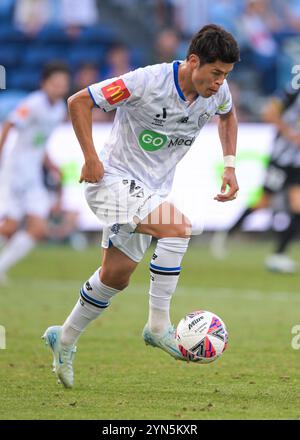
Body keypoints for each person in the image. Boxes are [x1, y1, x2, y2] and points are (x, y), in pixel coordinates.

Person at [42, 24, 240, 388]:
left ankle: (64, 338)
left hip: (149, 191)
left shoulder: (217, 92)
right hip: (111, 181)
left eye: (225, 75)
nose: (219, 83)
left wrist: (229, 165)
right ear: (193, 61)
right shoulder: (146, 81)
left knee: (114, 276)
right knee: (178, 228)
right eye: (215, 74)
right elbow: (79, 101)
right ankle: (158, 326)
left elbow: (227, 115)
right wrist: (89, 158)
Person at [210, 86, 300, 273]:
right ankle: (227, 233)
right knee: (263, 202)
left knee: (298, 205)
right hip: (281, 160)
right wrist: (290, 134)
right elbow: (269, 113)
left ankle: (279, 255)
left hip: (297, 163)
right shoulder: (294, 91)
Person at [0, 62, 70, 283]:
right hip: (16, 171)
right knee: (10, 227)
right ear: (44, 83)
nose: (59, 88)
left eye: (63, 85)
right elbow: (9, 125)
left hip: (33, 174)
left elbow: (39, 144)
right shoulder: (33, 103)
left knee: (38, 229)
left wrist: (51, 164)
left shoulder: (59, 109)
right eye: (55, 84)